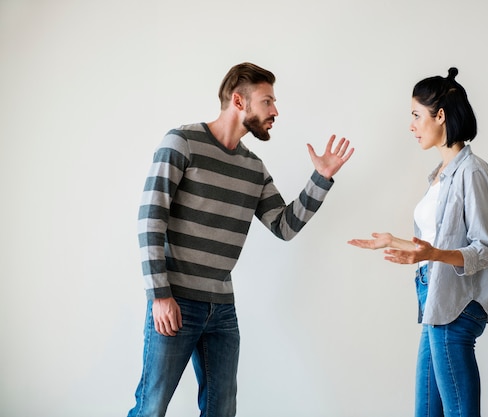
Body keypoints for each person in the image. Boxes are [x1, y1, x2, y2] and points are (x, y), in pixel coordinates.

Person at [128, 62, 354, 417]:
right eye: (268, 101)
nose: (275, 111)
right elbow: (150, 219)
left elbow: (284, 226)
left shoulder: (254, 168)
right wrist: (160, 295)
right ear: (239, 100)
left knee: (222, 411)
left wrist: (321, 178)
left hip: (221, 310)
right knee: (151, 406)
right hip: (176, 302)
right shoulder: (182, 142)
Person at [348, 67, 488, 417]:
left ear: (440, 116)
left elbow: (484, 249)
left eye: (416, 116)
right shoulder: (441, 177)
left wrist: (433, 255)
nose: (412, 125)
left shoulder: (472, 172)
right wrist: (393, 241)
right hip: (434, 299)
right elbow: (433, 244)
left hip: (456, 306)